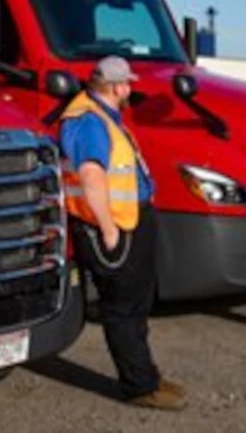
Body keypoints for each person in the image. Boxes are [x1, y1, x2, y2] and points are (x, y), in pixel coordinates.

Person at [59, 56, 187, 410]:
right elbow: (91, 175)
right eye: (127, 83)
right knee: (122, 308)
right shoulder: (88, 120)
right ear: (117, 87)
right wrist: (108, 228)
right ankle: (138, 386)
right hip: (115, 226)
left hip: (131, 219)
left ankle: (146, 374)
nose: (130, 89)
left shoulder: (104, 117)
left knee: (137, 304)